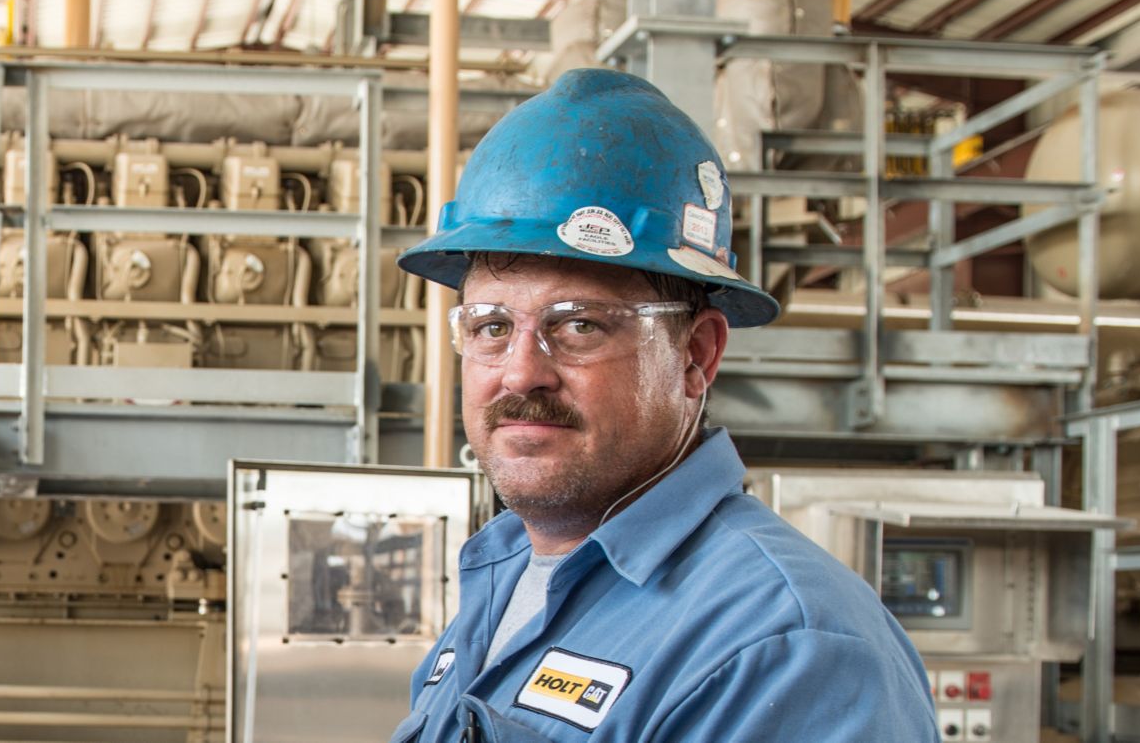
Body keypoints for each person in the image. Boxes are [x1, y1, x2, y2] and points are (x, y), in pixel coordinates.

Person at [385, 69, 937, 742]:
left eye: (579, 324)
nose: (521, 372)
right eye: (491, 327)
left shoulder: (786, 648)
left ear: (695, 356)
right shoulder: (502, 572)